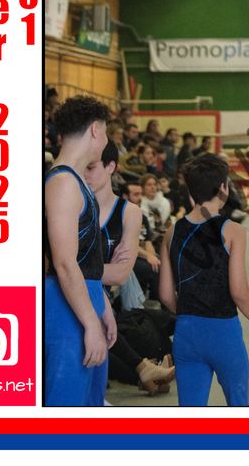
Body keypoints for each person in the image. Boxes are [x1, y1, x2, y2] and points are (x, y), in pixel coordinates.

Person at [159, 154, 249, 406]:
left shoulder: (171, 232)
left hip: (186, 333)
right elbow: (239, 291)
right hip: (223, 333)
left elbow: (165, 295)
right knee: (241, 404)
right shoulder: (234, 231)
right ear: (223, 188)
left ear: (190, 190)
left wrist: (190, 314)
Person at [84, 141, 176, 396]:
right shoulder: (75, 208)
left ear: (110, 167)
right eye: (82, 167)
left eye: (91, 167)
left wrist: (75, 269)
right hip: (89, 297)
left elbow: (121, 273)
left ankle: (145, 371)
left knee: (107, 337)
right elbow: (64, 269)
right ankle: (145, 371)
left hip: (98, 296)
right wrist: (89, 269)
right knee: (100, 340)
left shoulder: (129, 213)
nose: (84, 174)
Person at [44, 95, 116, 405]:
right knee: (67, 404)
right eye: (106, 132)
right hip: (66, 309)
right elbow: (64, 262)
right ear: (96, 130)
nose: (106, 140)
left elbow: (89, 256)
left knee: (90, 404)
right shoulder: (63, 183)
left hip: (86, 297)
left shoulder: (77, 181)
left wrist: (103, 306)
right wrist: (89, 322)